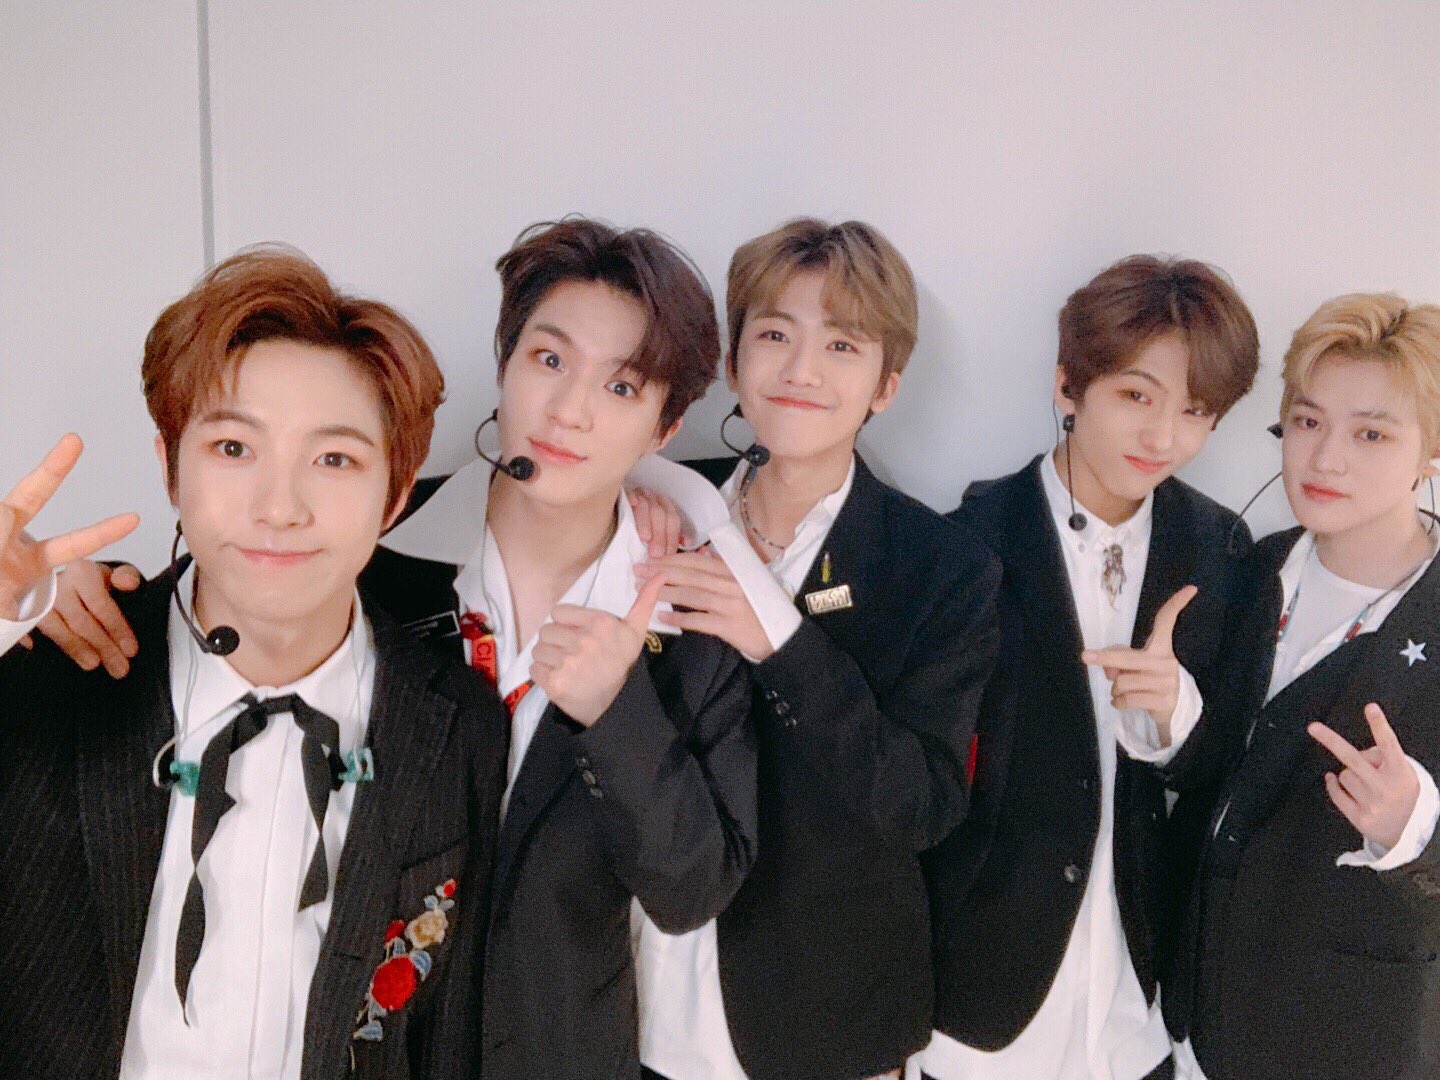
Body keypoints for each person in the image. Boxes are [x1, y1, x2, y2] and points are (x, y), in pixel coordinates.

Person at [0, 246, 507, 1079]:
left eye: (334, 458)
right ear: (170, 465)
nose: (280, 507)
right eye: (234, 448)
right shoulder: (47, 667)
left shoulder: (458, 723)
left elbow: (451, 1038)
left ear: (395, 491)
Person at [364, 217, 759, 1078]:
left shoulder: (693, 617)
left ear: (663, 428)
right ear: (504, 364)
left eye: (621, 387)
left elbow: (693, 889)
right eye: (549, 360)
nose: (570, 411)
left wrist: (618, 716)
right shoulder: (372, 550)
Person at [628, 217, 1001, 1080]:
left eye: (841, 344)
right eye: (774, 335)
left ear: (886, 386)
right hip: (642, 1001)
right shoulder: (657, 513)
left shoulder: (945, 568)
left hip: (828, 1016)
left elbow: (924, 807)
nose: (801, 369)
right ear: (733, 364)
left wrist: (784, 643)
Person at [919, 254, 1259, 1080]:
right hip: (980, 1009)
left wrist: (1176, 715)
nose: (1163, 437)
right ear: (1068, 386)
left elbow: (1226, 776)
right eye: (1137, 396)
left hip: (1137, 1010)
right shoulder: (964, 546)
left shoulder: (1218, 548)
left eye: (1195, 410)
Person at [1156, 294, 1440, 1080]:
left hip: (1343, 1039)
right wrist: (1166, 720)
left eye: (1371, 433)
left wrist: (1415, 827)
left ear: (1432, 452)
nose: (1325, 459)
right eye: (1308, 421)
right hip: (1179, 1020)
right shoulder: (1241, 568)